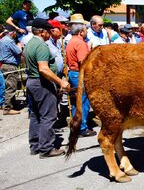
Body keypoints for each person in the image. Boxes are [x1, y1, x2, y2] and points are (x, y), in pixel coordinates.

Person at [25, 18, 70, 158]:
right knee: (48, 116)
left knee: (35, 115)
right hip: (41, 83)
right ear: (42, 32)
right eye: (48, 31)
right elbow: (44, 69)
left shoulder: (29, 44)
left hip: (31, 81)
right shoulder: (41, 46)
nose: (50, 34)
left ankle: (35, 146)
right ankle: (46, 148)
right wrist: (60, 82)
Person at [66, 19, 97, 137]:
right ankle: (82, 127)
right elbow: (83, 62)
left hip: (73, 73)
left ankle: (77, 125)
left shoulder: (71, 41)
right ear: (80, 32)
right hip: (79, 74)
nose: (87, 33)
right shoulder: (80, 43)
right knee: (83, 101)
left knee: (76, 102)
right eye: (85, 31)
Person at [0, 25, 23, 115]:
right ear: (12, 32)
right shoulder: (9, 41)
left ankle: (12, 104)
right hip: (10, 65)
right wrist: (19, 46)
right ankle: (7, 108)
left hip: (4, 65)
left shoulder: (2, 40)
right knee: (11, 86)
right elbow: (18, 51)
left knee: (8, 85)